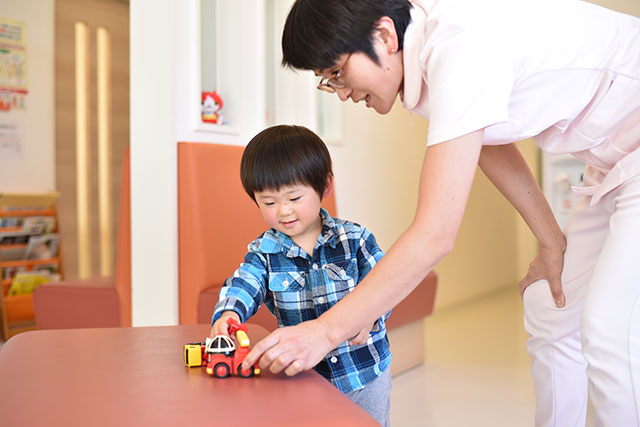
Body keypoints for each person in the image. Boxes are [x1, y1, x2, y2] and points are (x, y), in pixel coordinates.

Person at [241, 0, 640, 426]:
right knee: (550, 305)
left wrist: (324, 331)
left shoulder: (460, 48)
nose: (340, 92)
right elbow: (488, 139)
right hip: (614, 166)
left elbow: (435, 233)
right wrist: (551, 241)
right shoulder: (428, 59)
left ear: (384, 36)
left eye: (338, 72)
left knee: (610, 333)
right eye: (326, 81)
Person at [209, 124, 392, 426]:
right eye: (268, 202)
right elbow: (244, 283)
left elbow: (385, 282)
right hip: (305, 377)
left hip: (365, 372)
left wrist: (373, 315)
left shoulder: (354, 239)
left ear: (325, 186)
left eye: (294, 199)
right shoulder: (263, 252)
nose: (283, 211)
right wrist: (229, 312)